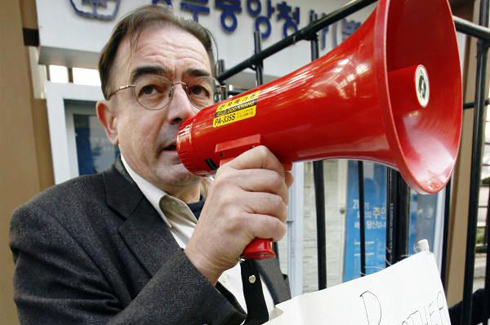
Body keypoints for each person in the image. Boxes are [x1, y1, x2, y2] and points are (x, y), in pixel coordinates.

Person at [10, 4, 292, 324]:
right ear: (111, 122)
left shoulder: (242, 198)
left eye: (198, 89)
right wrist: (202, 260)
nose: (184, 111)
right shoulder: (53, 226)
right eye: (151, 89)